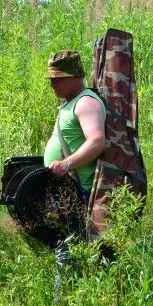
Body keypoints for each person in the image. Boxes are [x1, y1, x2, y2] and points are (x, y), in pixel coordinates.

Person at [43, 49, 107, 198]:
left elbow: (97, 141)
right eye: (51, 79)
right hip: (64, 189)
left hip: (77, 192)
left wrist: (66, 165)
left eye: (57, 78)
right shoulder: (72, 102)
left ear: (73, 77)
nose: (52, 84)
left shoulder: (86, 102)